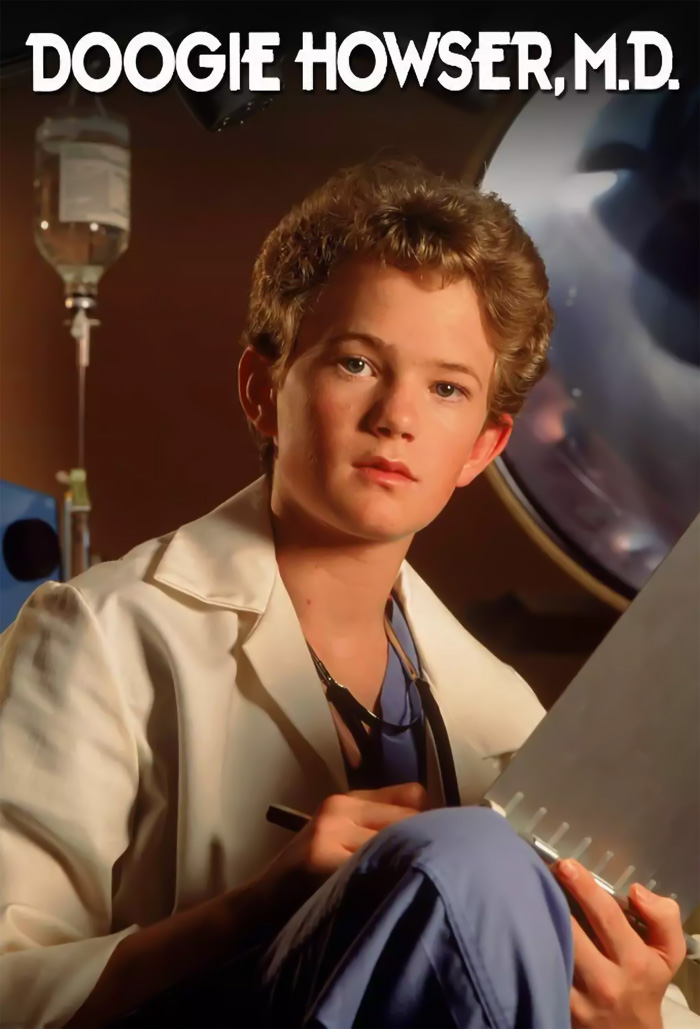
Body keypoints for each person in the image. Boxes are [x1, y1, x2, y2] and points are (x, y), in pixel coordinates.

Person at [0, 161, 696, 1029]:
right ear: (264, 392)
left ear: (483, 448)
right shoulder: (99, 635)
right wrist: (254, 908)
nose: (398, 415)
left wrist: (638, 1015)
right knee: (473, 854)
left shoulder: (506, 711)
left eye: (448, 387)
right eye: (359, 362)